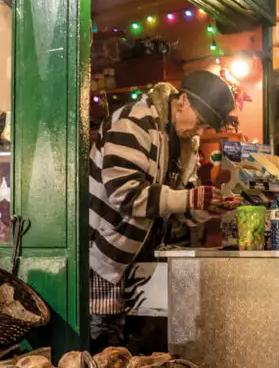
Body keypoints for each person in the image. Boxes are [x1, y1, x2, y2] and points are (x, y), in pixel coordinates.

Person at [88, 69, 239, 353]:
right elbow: (126, 194)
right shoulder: (133, 122)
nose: (201, 133)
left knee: (136, 351)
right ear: (182, 101)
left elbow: (179, 209)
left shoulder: (185, 143)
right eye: (202, 123)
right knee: (103, 347)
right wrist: (190, 199)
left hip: (141, 262)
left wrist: (208, 207)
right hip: (105, 258)